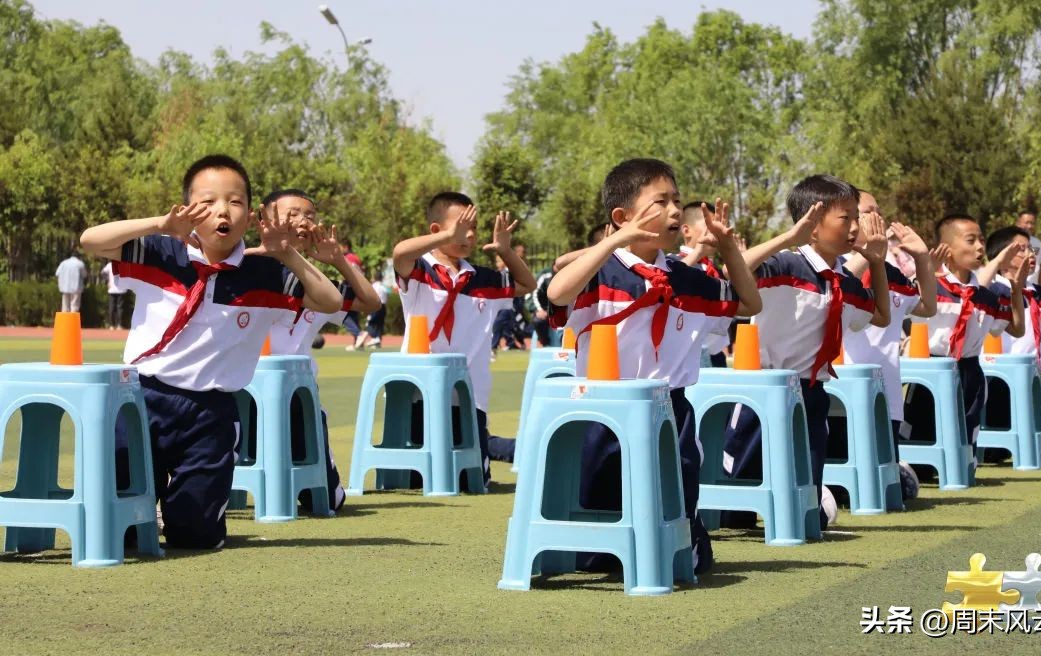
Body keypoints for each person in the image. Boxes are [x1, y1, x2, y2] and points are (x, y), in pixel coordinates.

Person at [79, 154, 343, 549]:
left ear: (250, 215)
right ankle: (140, 512)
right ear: (187, 208)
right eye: (208, 201)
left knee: (195, 535)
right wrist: (160, 225)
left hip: (211, 411)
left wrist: (288, 254)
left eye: (235, 202)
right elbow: (91, 240)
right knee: (125, 533)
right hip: (142, 400)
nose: (222, 210)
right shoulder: (162, 253)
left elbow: (330, 300)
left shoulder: (264, 273)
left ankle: (185, 514)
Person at [547, 158, 761, 574]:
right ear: (622, 216)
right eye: (661, 201)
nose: (675, 211)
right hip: (604, 412)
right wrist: (614, 242)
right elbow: (557, 293)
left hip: (671, 412)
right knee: (598, 548)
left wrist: (729, 249)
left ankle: (682, 538)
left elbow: (750, 304)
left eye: (677, 201)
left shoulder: (686, 277)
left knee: (680, 535)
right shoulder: (599, 273)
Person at [722, 175, 893, 530]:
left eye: (856, 218)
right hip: (764, 386)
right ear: (812, 225)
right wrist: (788, 238)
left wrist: (876, 263)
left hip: (813, 389)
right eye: (845, 218)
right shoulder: (786, 264)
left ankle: (803, 516)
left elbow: (880, 315)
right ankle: (732, 516)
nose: (855, 227)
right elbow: (732, 269)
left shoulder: (843, 280)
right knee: (739, 484)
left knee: (808, 482)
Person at [393, 193, 537, 485]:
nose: (469, 235)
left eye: (474, 228)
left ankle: (493, 447)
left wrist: (506, 251)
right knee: (420, 477)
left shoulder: (483, 279)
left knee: (472, 480)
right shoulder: (420, 271)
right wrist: (448, 236)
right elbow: (400, 253)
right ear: (436, 230)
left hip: (471, 394)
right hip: (420, 391)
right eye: (461, 227)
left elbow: (527, 284)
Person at [255, 189, 382, 512]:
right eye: (292, 214)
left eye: (309, 216)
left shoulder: (319, 287)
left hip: (299, 403)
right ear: (265, 219)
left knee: (326, 501)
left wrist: (338, 259)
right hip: (243, 397)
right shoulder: (245, 268)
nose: (302, 221)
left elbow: (370, 302)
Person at [838, 190, 937, 499]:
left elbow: (926, 307)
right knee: (843, 477)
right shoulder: (834, 263)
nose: (878, 219)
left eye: (879, 212)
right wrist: (866, 255)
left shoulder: (890, 273)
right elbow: (835, 287)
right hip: (839, 394)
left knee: (885, 487)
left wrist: (922, 258)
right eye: (868, 212)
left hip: (886, 391)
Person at [906, 214, 1025, 454]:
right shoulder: (931, 287)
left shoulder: (987, 296)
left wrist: (1016, 292)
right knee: (921, 435)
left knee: (965, 438)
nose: (980, 247)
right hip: (931, 369)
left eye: (981, 239)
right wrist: (926, 272)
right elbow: (907, 306)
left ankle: (965, 463)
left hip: (969, 370)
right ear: (946, 249)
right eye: (971, 240)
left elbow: (1017, 329)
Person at [979, 227, 1041, 465]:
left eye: (1031, 249)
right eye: (1020, 249)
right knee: (992, 451)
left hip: (1038, 378)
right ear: (1001, 256)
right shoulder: (992, 291)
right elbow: (972, 292)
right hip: (995, 377)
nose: (1030, 255)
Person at [677, 202, 733, 367]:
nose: (716, 231)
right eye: (709, 225)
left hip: (717, 357)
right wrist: (698, 253)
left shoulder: (716, 270)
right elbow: (668, 282)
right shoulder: (673, 263)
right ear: (686, 230)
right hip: (688, 356)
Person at [1016, 209, 1041, 285]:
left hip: (1033, 287)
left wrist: (1040, 286)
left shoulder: (1037, 243)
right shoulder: (1010, 241)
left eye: (1032, 223)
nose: (1030, 226)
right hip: (1013, 287)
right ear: (1018, 223)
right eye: (1027, 223)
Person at [100, 261, 128, 329]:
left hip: (116, 289)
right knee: (118, 308)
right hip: (118, 289)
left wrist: (106, 281)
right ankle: (117, 325)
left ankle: (113, 325)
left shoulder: (110, 264)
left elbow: (102, 273)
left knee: (114, 308)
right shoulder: (123, 264)